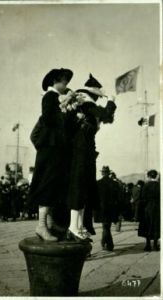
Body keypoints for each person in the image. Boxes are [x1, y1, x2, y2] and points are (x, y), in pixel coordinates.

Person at [62, 74, 117, 241]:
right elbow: (106, 113)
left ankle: (77, 226)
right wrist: (112, 100)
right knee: (79, 188)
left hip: (86, 151)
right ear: (92, 95)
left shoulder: (83, 106)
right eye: (97, 96)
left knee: (83, 189)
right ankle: (73, 227)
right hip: (82, 150)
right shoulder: (86, 104)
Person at [28, 68, 74, 241]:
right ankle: (41, 225)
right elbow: (49, 119)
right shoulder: (50, 97)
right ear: (55, 81)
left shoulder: (54, 98)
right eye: (64, 81)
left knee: (53, 184)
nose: (66, 85)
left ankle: (48, 221)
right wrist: (64, 105)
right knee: (47, 183)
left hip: (54, 148)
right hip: (50, 148)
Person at [96, 166, 119, 251]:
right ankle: (108, 244)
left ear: (102, 173)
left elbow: (95, 197)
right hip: (112, 208)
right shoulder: (115, 183)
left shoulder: (98, 183)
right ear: (109, 173)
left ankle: (106, 243)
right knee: (107, 226)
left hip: (101, 208)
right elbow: (118, 198)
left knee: (105, 227)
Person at [138, 170, 160, 251]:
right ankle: (155, 244)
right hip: (158, 208)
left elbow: (142, 198)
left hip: (148, 208)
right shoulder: (160, 185)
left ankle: (147, 245)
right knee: (156, 225)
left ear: (149, 176)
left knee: (147, 226)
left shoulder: (146, 185)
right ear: (156, 176)